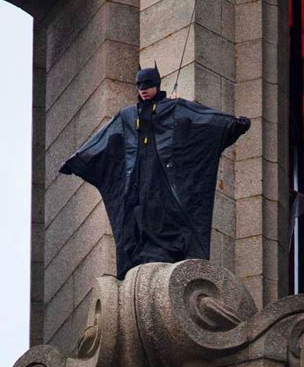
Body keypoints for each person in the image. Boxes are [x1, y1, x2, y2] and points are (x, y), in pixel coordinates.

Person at [60, 64, 251, 280]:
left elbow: (203, 118)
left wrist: (233, 125)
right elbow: (103, 138)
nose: (143, 89)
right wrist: (78, 160)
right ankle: (144, 256)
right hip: (138, 180)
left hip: (165, 180)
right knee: (138, 217)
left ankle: (169, 253)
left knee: (165, 214)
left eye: (148, 85)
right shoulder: (127, 115)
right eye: (139, 85)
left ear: (157, 85)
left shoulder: (174, 108)